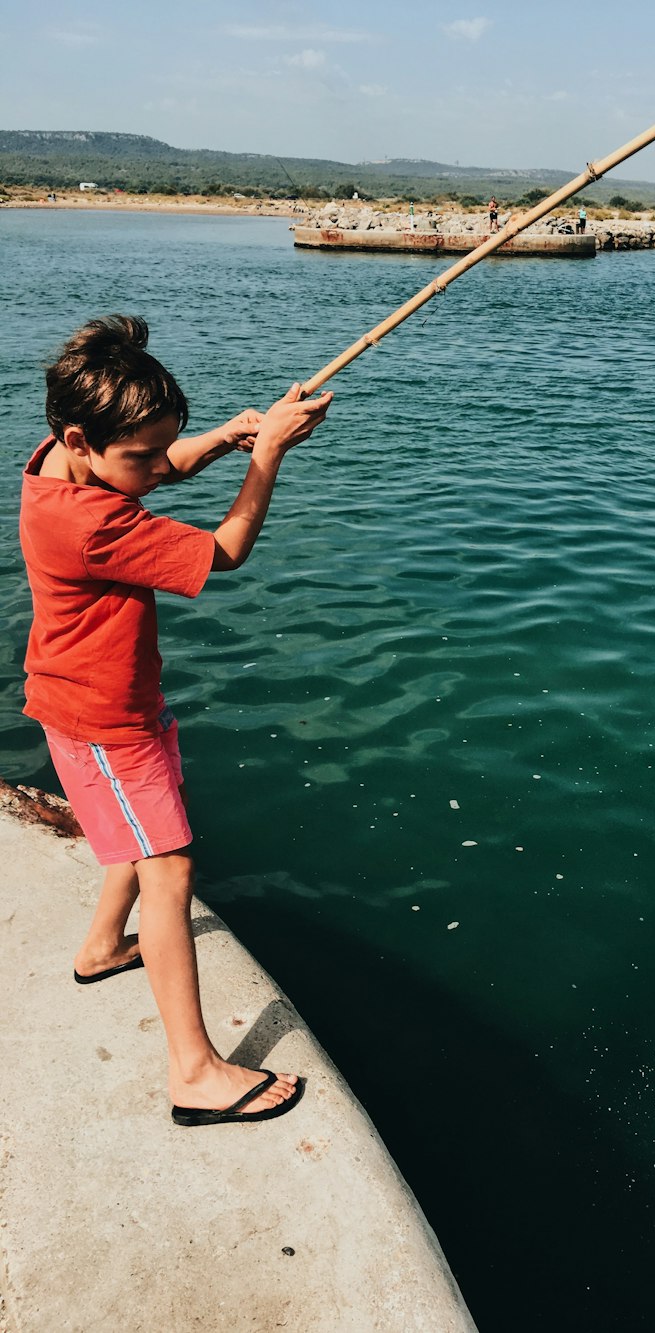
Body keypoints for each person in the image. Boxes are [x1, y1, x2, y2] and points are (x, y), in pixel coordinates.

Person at [19, 314, 333, 1126]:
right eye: (143, 455)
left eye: (168, 448)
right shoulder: (90, 523)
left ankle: (98, 949)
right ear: (83, 438)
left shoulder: (61, 467)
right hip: (103, 719)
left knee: (134, 841)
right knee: (170, 868)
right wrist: (266, 457)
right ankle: (193, 1071)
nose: (160, 469)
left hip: (102, 701)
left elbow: (149, 472)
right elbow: (225, 551)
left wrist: (226, 436)